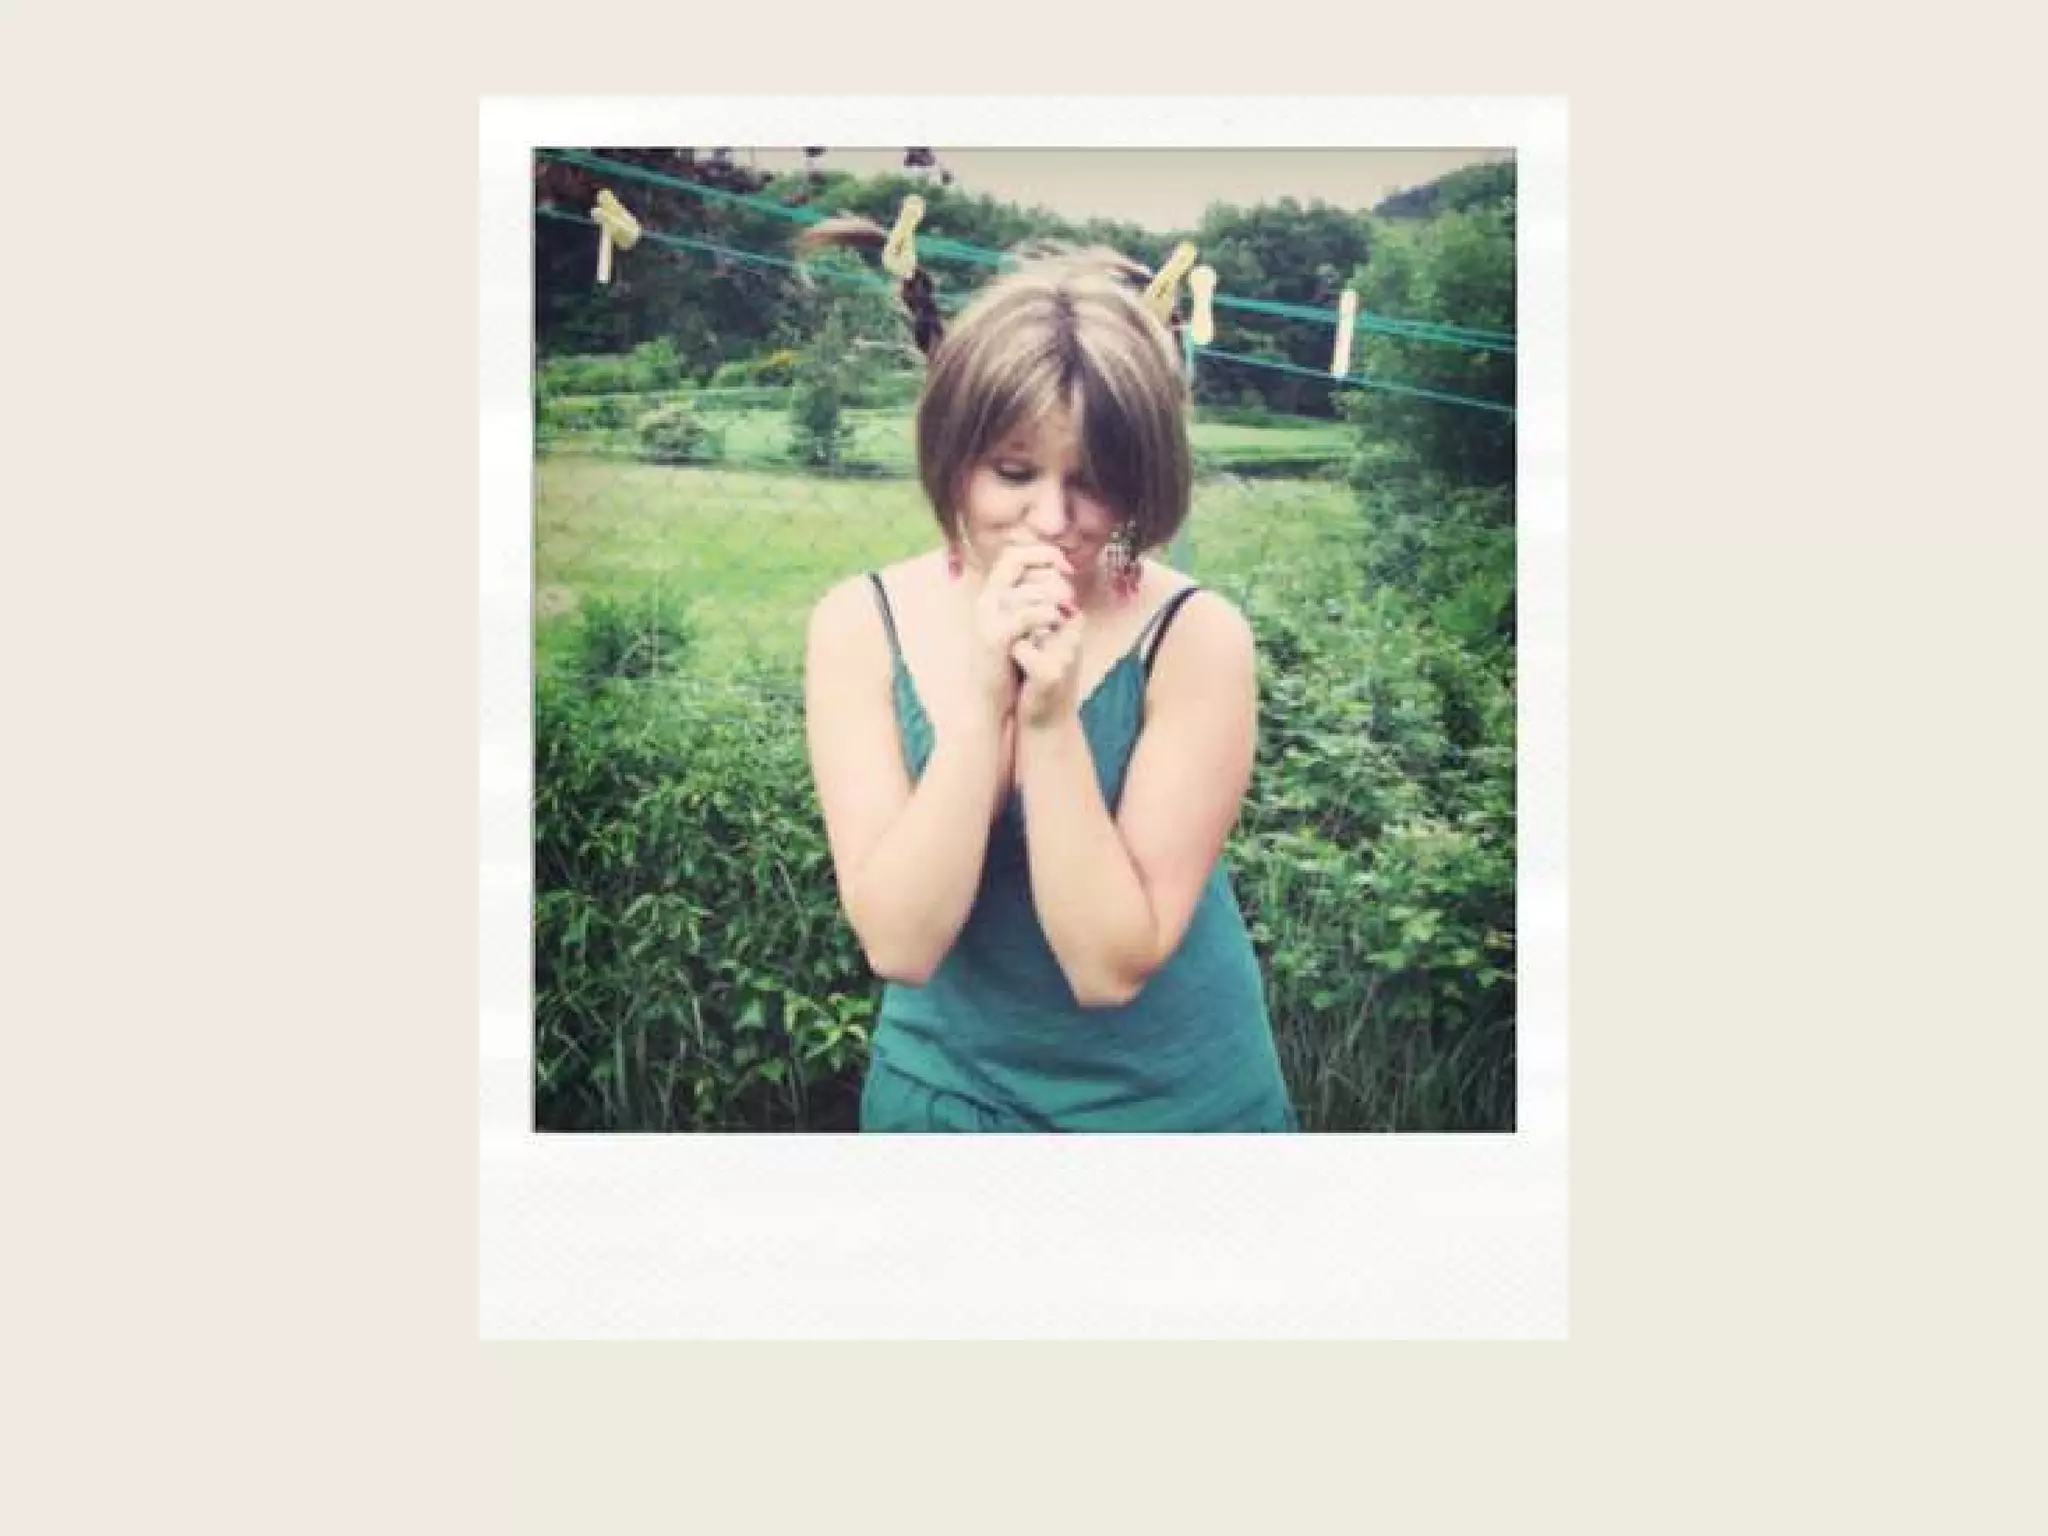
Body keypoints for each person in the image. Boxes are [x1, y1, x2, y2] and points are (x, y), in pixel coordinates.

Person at [800, 225, 1297, 1132]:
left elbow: (1109, 966)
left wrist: (1049, 718)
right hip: (943, 1106)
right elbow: (901, 943)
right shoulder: (857, 625)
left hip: (1173, 1112)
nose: (1053, 518)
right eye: (1014, 472)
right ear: (952, 457)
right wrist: (983, 705)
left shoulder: (1197, 638)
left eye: (1094, 482)